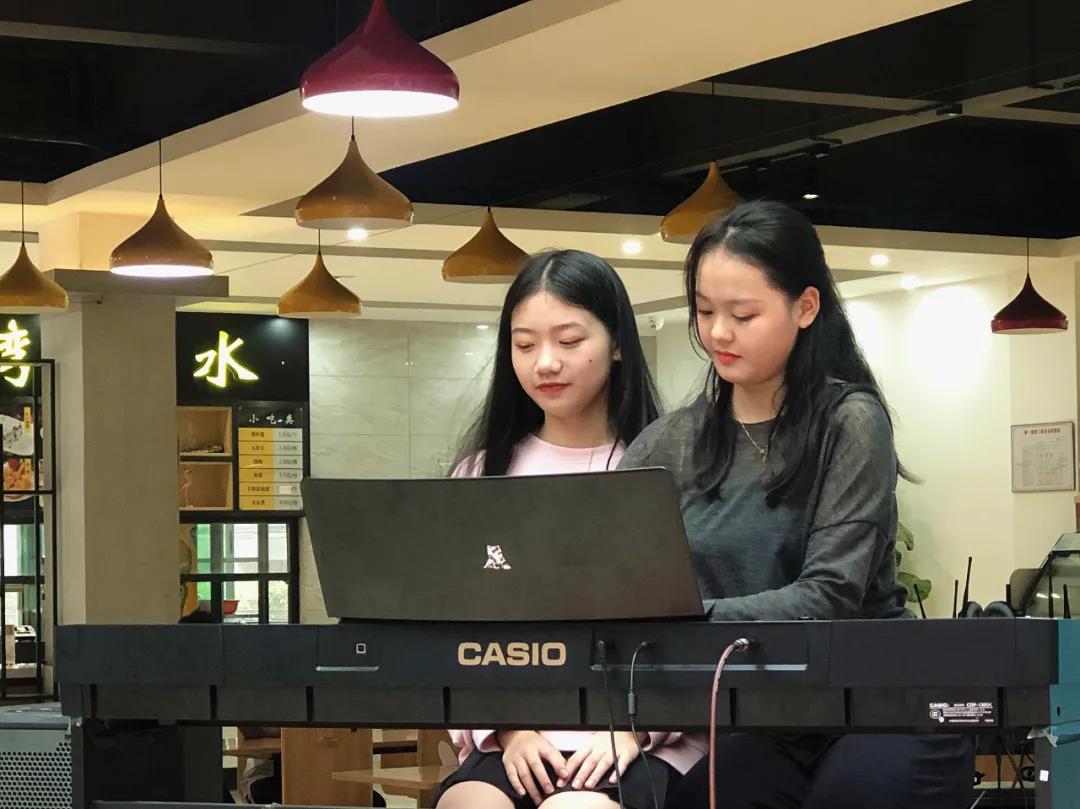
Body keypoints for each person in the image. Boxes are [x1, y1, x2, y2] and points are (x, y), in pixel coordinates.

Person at [618, 200, 973, 809]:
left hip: (881, 702)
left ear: (806, 307)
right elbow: (617, 582)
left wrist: (686, 621)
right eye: (704, 311)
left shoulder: (850, 421)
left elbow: (828, 595)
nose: (718, 333)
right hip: (771, 716)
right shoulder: (668, 443)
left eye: (743, 314)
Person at [436, 249, 704, 809]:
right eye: (524, 345)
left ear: (617, 342)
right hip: (517, 735)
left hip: (643, 736)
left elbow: (698, 629)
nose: (545, 363)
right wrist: (509, 730)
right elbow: (455, 634)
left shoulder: (669, 469)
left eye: (569, 340)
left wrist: (635, 730)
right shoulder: (482, 474)